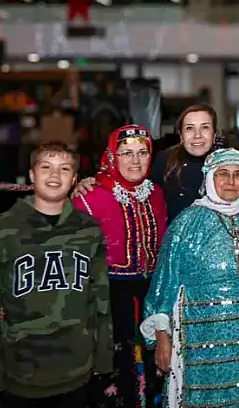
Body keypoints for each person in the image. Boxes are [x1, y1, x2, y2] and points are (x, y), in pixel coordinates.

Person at [0, 142, 113, 408]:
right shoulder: (3, 229)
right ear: (32, 175)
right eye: (46, 168)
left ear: (74, 179)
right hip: (21, 375)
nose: (55, 176)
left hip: (78, 372)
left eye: (64, 169)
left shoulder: (89, 230)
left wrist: (104, 359)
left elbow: (100, 297)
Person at [140, 149, 239, 408]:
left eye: (238, 175)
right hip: (206, 339)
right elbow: (164, 281)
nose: (230, 182)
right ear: (209, 180)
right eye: (223, 174)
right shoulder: (187, 223)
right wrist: (162, 335)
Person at [72, 125, 167, 408]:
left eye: (142, 153)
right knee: (114, 378)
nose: (135, 161)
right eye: (126, 153)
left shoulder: (156, 194)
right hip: (107, 301)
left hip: (151, 296)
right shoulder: (88, 197)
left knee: (153, 373)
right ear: (112, 157)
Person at [73, 104, 239, 224]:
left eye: (205, 128)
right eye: (190, 128)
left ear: (214, 133)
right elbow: (132, 186)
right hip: (174, 256)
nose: (198, 135)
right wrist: (92, 183)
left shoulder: (228, 162)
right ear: (181, 135)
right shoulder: (164, 160)